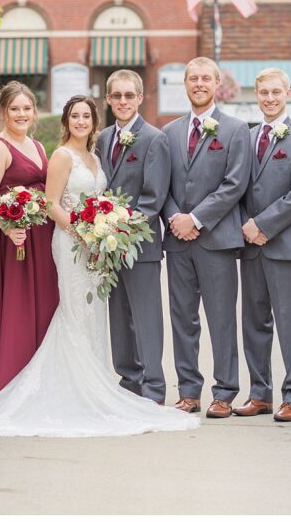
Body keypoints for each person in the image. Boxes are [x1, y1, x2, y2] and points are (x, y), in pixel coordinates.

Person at [0, 96, 199, 436]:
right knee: (68, 313)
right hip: (60, 240)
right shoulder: (53, 154)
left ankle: (89, 386)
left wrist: (104, 230)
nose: (81, 121)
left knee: (83, 313)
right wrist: (75, 233)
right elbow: (41, 200)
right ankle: (63, 389)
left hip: (83, 244)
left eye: (86, 116)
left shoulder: (75, 153)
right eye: (74, 115)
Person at [162, 57, 251, 418]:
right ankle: (188, 391)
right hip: (177, 240)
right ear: (185, 84)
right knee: (183, 318)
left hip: (217, 239)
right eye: (193, 78)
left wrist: (196, 219)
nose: (199, 84)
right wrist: (174, 218)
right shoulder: (168, 133)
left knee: (221, 318)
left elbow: (235, 184)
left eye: (205, 79)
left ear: (218, 84)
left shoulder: (236, 129)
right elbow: (161, 184)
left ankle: (225, 392)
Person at [234, 68, 291, 422]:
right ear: (256, 96)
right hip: (249, 245)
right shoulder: (247, 138)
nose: (269, 98)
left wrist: (263, 226)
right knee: (254, 321)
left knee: (290, 321)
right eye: (263, 93)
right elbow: (234, 186)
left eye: (275, 92)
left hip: (283, 244)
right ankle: (259, 393)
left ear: (287, 93)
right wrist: (244, 227)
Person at [0, 81, 59, 395]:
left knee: (42, 307)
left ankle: (40, 383)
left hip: (41, 239)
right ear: (3, 112)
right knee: (18, 310)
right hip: (14, 240)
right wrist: (8, 227)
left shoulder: (37, 146)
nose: (21, 114)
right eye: (15, 109)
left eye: (27, 108)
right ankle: (12, 382)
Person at [97, 70, 172, 405]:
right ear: (109, 99)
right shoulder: (101, 139)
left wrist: (120, 230)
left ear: (140, 98)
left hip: (140, 245)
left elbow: (153, 197)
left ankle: (153, 388)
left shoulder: (155, 139)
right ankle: (129, 380)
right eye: (117, 96)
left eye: (129, 95)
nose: (123, 101)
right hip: (106, 245)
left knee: (146, 317)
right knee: (119, 316)